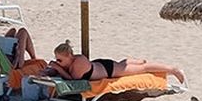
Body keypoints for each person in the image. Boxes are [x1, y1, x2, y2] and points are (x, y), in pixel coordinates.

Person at [46, 40, 186, 84]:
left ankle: (173, 69)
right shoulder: (71, 62)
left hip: (109, 70)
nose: (58, 62)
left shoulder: (79, 62)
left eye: (60, 60)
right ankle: (136, 61)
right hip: (100, 65)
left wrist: (57, 68)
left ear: (69, 56)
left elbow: (72, 80)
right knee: (122, 64)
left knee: (143, 68)